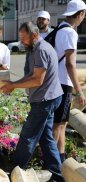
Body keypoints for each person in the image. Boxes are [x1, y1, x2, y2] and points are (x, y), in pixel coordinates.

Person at [0, 22, 65, 182]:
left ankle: (15, 170)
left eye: (24, 39)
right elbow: (31, 74)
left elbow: (37, 80)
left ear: (34, 35)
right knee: (45, 137)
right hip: (49, 97)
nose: (21, 42)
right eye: (20, 39)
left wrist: (13, 85)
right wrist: (14, 82)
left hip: (45, 100)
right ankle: (57, 175)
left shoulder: (41, 50)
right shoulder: (35, 48)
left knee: (28, 136)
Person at [53, 0, 86, 163]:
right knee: (58, 125)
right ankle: (51, 160)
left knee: (62, 123)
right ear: (80, 14)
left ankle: (61, 158)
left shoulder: (59, 28)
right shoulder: (71, 33)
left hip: (53, 82)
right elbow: (70, 63)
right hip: (63, 83)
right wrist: (79, 91)